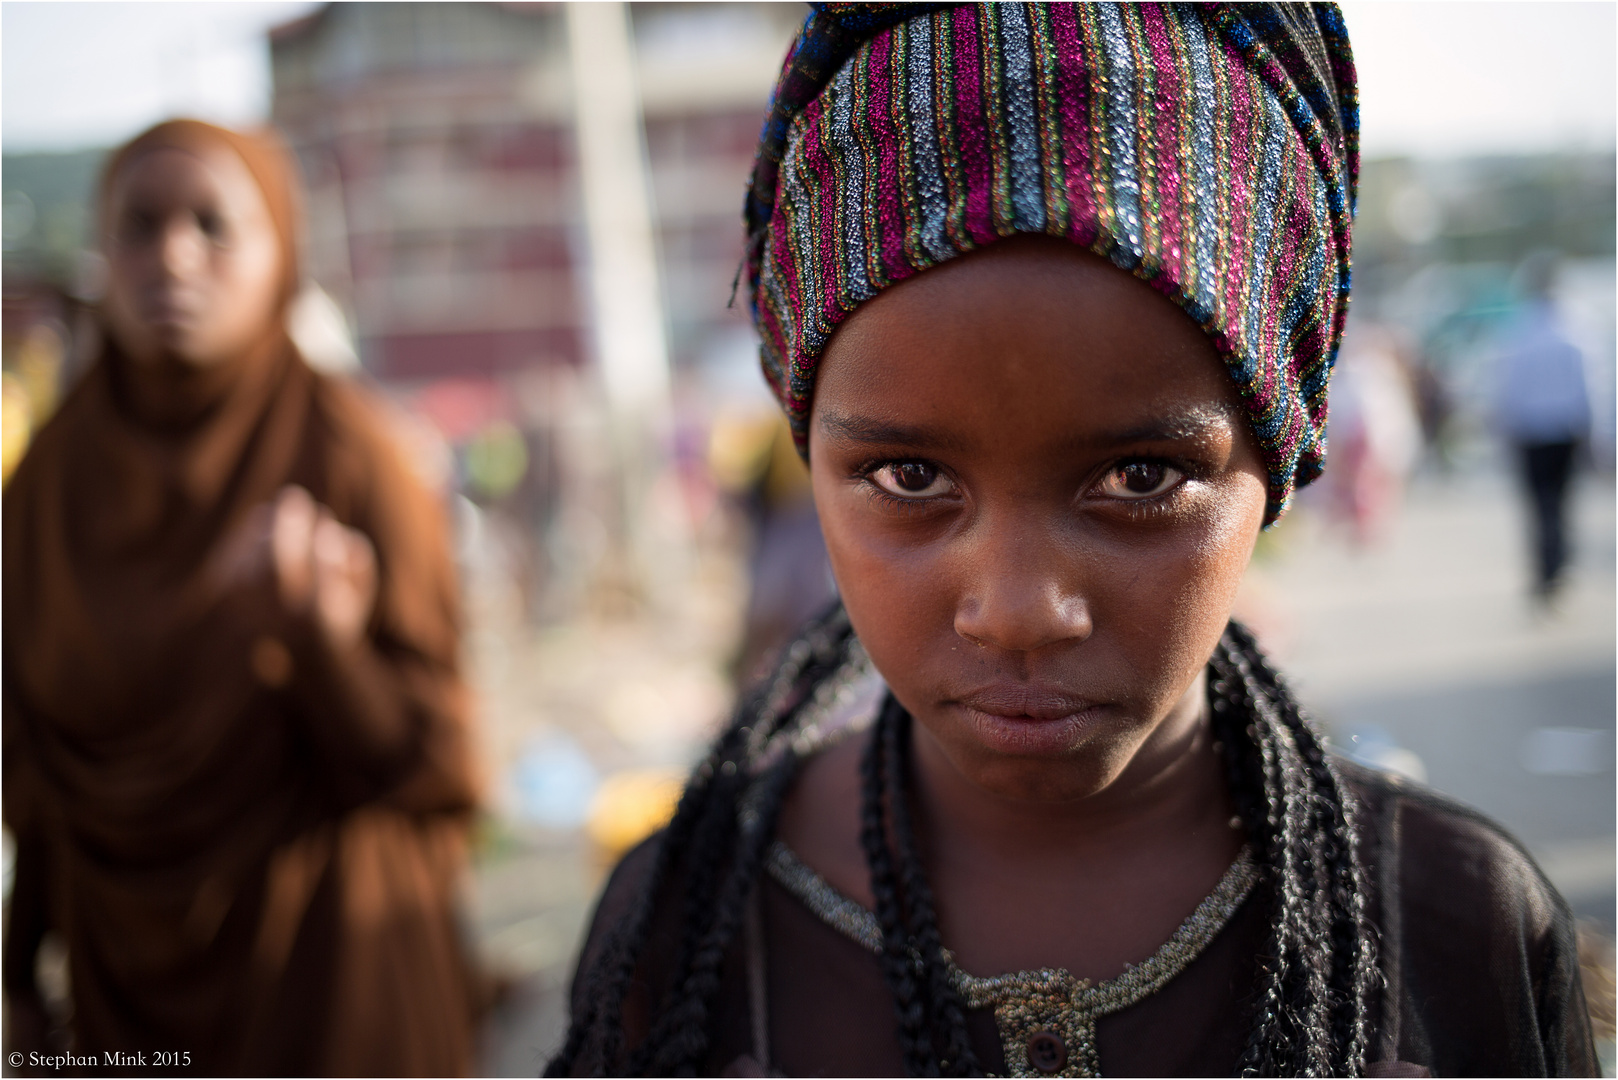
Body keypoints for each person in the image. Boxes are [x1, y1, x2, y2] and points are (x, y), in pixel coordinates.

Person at [551, 5, 1598, 1077]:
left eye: (1138, 477)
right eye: (909, 477)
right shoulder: (685, 932)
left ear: (1282, 454)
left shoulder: (1457, 931)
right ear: (807, 454)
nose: (1015, 609)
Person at [2, 120, 481, 1075]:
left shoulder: (354, 454)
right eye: (138, 226)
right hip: (120, 1001)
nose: (173, 256)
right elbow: (36, 778)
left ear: (282, 258)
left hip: (336, 984)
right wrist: (19, 973)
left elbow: (445, 773)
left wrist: (325, 651)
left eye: (214, 225)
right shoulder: (46, 489)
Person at [1493, 251, 1592, 605]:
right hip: (1563, 430)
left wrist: (1504, 428)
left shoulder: (1522, 329)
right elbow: (1588, 385)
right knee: (1561, 503)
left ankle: (1547, 569)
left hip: (1533, 433)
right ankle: (1558, 566)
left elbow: (1509, 389)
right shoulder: (1572, 328)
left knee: (1541, 505)